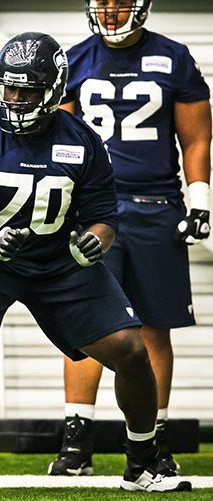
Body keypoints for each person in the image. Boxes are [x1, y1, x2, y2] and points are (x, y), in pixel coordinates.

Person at [0, 32, 191, 494]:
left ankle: (142, 462)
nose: (16, 99)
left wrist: (95, 241)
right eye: (8, 88)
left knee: (131, 350)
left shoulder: (84, 141)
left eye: (27, 90)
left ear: (53, 90)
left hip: (59, 261)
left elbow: (104, 216)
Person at [48, 0, 211, 477]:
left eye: (121, 4)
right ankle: (77, 439)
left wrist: (199, 197)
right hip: (90, 208)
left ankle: (151, 437)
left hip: (155, 205)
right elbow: (53, 136)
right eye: (104, 4)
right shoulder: (75, 59)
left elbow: (196, 137)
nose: (111, 13)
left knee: (152, 326)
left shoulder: (174, 57)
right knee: (83, 327)